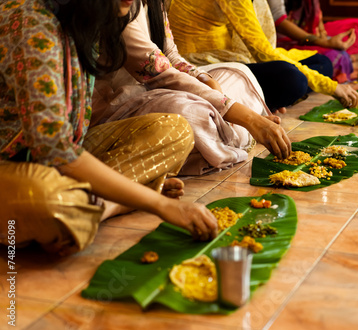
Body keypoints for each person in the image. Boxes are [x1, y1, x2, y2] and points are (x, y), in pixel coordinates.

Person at [0, 0, 217, 256]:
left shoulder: (86, 21)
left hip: (65, 159)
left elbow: (66, 149)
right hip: (15, 164)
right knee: (49, 201)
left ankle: (96, 205)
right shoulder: (32, 22)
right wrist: (158, 204)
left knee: (175, 129)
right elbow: (54, 150)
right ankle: (118, 201)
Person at [91, 0, 291, 176]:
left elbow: (171, 55)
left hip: (156, 89)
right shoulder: (119, 5)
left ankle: (225, 131)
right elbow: (159, 73)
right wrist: (247, 116)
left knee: (238, 73)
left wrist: (205, 79)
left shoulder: (154, 2)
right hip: (120, 102)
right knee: (186, 112)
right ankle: (235, 129)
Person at [167, 0, 358, 109]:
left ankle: (267, 95)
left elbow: (257, 44)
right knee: (293, 80)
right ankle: (263, 101)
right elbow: (261, 50)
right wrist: (332, 87)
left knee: (322, 62)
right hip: (204, 64)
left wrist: (321, 41)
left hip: (231, 53)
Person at [268, 0, 358, 82]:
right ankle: (336, 57)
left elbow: (317, 15)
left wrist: (323, 34)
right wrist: (325, 43)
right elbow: (279, 21)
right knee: (328, 60)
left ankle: (335, 54)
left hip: (311, 33)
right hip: (285, 40)